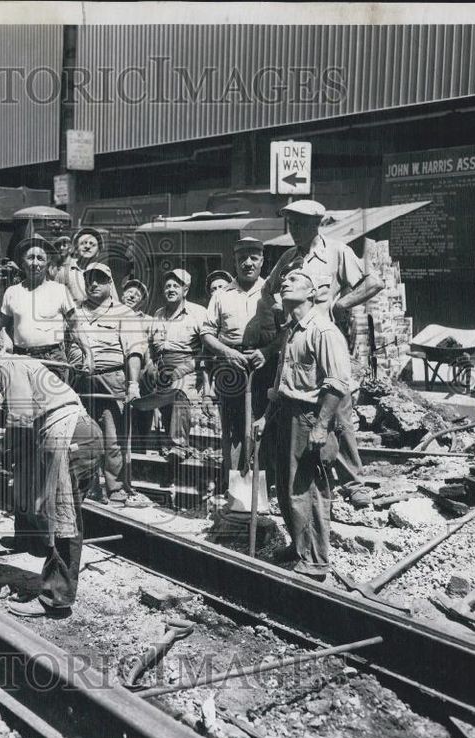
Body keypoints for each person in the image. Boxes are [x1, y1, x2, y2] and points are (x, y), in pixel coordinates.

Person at [0, 329, 105, 618]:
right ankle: (44, 563)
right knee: (58, 514)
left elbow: (19, 425)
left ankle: (56, 600)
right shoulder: (21, 365)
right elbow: (22, 430)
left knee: (63, 520)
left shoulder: (9, 367)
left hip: (69, 437)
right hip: (79, 435)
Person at [245, 200, 384, 509]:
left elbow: (374, 282)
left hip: (327, 344)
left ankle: (354, 482)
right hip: (296, 344)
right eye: (290, 224)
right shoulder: (288, 258)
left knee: (339, 410)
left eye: (299, 224)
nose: (293, 230)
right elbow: (267, 292)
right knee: (293, 413)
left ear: (316, 224)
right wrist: (276, 320)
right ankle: (304, 481)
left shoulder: (337, 252)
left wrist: (341, 305)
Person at [255, 268, 351, 581]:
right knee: (285, 487)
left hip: (310, 416)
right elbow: (281, 383)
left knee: (309, 489)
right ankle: (298, 546)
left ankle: (316, 560)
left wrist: (322, 426)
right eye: (284, 280)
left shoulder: (322, 330)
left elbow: (336, 384)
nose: (285, 281)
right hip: (285, 414)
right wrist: (265, 417)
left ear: (312, 293)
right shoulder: (292, 331)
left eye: (295, 279)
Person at [70, 262, 151, 506]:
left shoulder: (124, 313)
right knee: (85, 436)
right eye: (89, 279)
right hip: (81, 380)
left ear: (109, 283)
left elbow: (134, 350)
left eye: (100, 279)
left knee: (113, 439)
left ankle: (116, 488)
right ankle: (89, 486)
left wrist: (133, 383)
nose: (93, 283)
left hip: (112, 378)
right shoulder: (74, 312)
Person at [201, 238, 267, 492]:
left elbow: (284, 332)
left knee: (262, 428)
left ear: (262, 261)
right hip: (231, 367)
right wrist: (227, 353)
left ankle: (261, 491)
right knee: (233, 430)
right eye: (242, 259)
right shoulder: (221, 295)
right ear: (235, 262)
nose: (248, 263)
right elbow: (206, 334)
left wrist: (267, 351)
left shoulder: (272, 292)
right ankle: (236, 491)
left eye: (254, 258)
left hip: (263, 365)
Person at [140, 269, 209, 469]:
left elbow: (205, 349)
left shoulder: (198, 312)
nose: (170, 289)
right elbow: (151, 346)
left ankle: (178, 447)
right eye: (168, 286)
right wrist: (151, 366)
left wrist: (185, 368)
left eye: (175, 286)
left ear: (185, 290)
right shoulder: (159, 314)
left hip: (187, 365)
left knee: (178, 393)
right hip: (161, 364)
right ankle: (148, 444)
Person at [0, 237, 93, 382]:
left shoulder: (60, 290)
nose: (35, 263)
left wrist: (88, 355)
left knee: (53, 403)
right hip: (21, 358)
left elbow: (75, 326)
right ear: (23, 262)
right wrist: (6, 340)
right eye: (30, 258)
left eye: (40, 258)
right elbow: (4, 325)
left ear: (47, 262)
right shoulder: (11, 292)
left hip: (53, 360)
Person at [52, 227, 119, 304]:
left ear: (98, 251)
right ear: (76, 249)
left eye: (92, 244)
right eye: (83, 243)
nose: (87, 246)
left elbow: (114, 301)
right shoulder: (64, 272)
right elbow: (55, 300)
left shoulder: (104, 271)